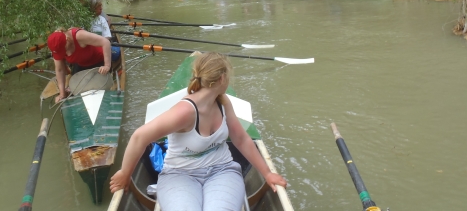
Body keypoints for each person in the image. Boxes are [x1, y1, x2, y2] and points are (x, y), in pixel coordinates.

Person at [109, 53, 287, 211]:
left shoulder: (223, 102)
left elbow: (241, 139)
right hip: (179, 175)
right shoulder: (185, 112)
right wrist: (125, 173)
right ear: (222, 79)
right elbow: (139, 137)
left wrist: (267, 173)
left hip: (222, 170)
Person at [47, 28, 120, 103]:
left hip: (100, 61)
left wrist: (107, 66)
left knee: (100, 88)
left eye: (64, 50)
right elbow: (60, 70)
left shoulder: (79, 36)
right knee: (75, 91)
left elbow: (105, 42)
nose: (64, 53)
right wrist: (62, 93)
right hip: (81, 64)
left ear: (68, 40)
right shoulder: (56, 47)